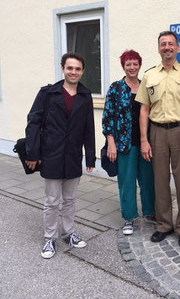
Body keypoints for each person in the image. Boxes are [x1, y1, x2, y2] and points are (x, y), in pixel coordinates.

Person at [25, 52, 96, 259]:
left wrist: (89, 157)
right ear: (63, 69)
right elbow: (33, 123)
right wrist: (33, 153)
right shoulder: (48, 93)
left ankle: (69, 233)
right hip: (51, 154)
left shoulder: (85, 95)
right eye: (70, 68)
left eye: (77, 69)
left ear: (82, 71)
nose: (73, 72)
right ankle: (49, 238)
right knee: (52, 200)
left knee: (70, 199)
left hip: (73, 154)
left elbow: (88, 128)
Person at [136, 31, 180, 248]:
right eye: (163, 44)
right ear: (158, 49)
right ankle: (163, 225)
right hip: (157, 133)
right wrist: (144, 140)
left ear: (177, 48)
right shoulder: (149, 75)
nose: (167, 47)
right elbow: (144, 109)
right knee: (160, 181)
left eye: (171, 44)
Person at [102, 50, 155, 236]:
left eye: (135, 64)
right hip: (123, 144)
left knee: (148, 179)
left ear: (140, 65)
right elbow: (107, 117)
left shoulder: (146, 87)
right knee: (127, 181)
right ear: (123, 66)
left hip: (145, 142)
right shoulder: (116, 88)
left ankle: (150, 212)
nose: (132, 67)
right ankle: (129, 217)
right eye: (128, 64)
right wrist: (110, 142)